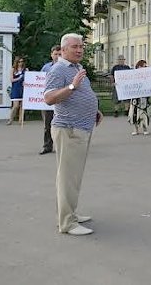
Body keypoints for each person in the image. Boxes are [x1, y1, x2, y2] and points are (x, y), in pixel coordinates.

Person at [44, 33, 103, 236]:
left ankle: (70, 214)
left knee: (73, 177)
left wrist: (93, 109)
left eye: (81, 47)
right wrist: (72, 86)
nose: (79, 50)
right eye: (74, 47)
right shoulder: (58, 69)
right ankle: (67, 223)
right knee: (68, 178)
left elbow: (80, 95)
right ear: (63, 49)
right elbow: (49, 98)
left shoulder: (76, 67)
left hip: (81, 128)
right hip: (68, 130)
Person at [39, 45, 61, 154]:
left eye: (59, 54)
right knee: (47, 125)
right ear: (51, 55)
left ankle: (61, 146)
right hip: (48, 101)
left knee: (61, 125)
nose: (57, 56)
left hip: (61, 100)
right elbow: (38, 82)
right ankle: (47, 146)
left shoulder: (65, 67)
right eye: (55, 54)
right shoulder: (46, 67)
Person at [128, 60, 151, 136]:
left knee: (144, 112)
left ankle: (145, 128)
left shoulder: (147, 76)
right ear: (139, 66)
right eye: (144, 66)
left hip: (144, 97)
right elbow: (127, 83)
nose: (145, 67)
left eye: (146, 66)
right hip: (135, 97)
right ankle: (135, 129)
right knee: (134, 113)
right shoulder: (133, 75)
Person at [7, 57, 27, 125]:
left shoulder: (26, 70)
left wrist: (25, 81)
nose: (21, 63)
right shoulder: (13, 69)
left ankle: (20, 120)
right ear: (16, 62)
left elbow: (29, 78)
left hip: (23, 88)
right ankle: (10, 119)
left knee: (22, 105)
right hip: (15, 88)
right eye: (19, 62)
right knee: (16, 105)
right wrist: (19, 78)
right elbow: (11, 80)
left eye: (22, 61)